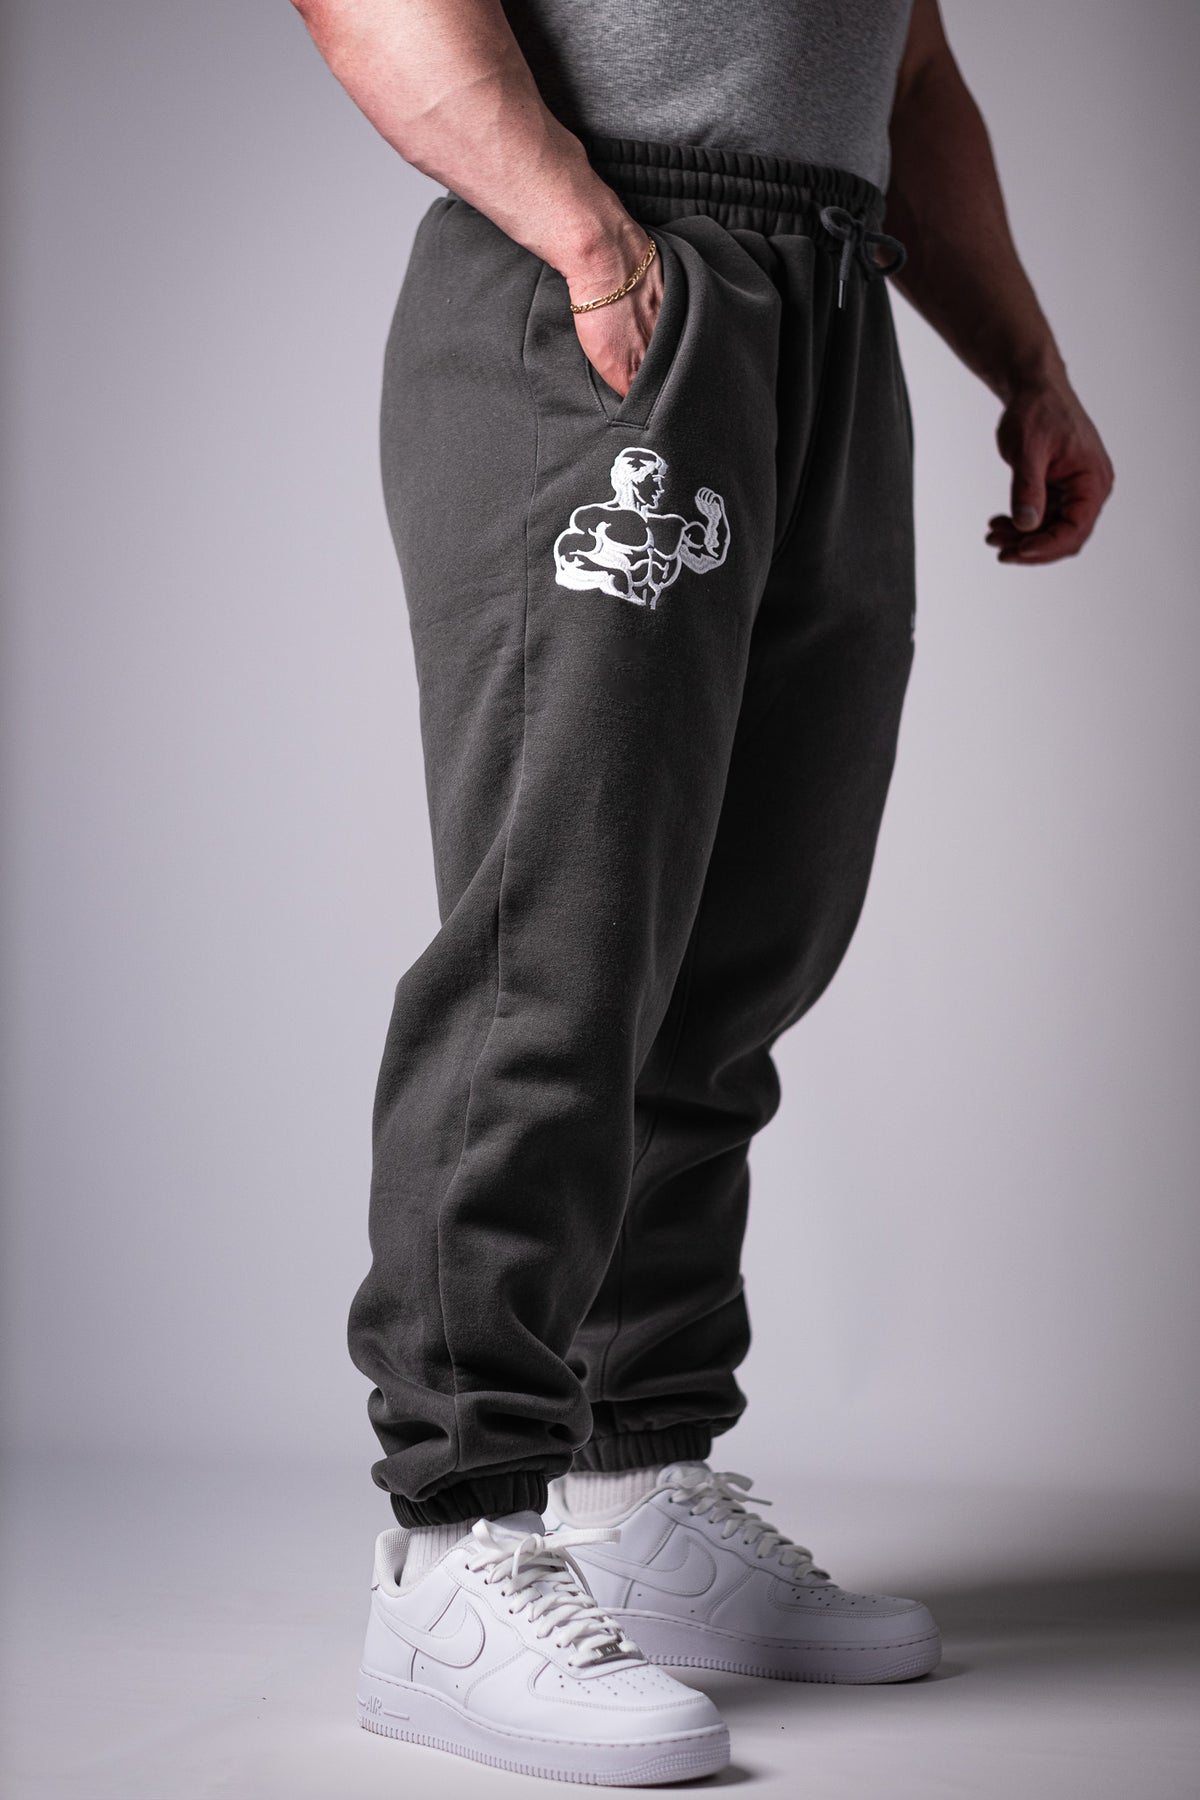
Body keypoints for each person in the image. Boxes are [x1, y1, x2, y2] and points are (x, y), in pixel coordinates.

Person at [290, 0, 1114, 1782]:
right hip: (612, 254)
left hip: (834, 285)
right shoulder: (595, 245)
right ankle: (454, 1543)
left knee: (742, 946)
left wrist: (1027, 364)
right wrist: (586, 236)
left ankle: (637, 1479)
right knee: (560, 945)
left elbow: (904, 64)